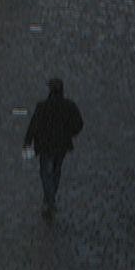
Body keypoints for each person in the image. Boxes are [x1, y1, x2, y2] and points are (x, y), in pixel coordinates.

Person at [23, 77, 85, 221]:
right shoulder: (69, 106)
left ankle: (49, 199)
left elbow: (34, 125)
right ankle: (50, 199)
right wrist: (69, 133)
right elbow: (79, 124)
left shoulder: (42, 106)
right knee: (56, 171)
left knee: (45, 173)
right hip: (61, 146)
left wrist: (28, 142)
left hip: (45, 146)